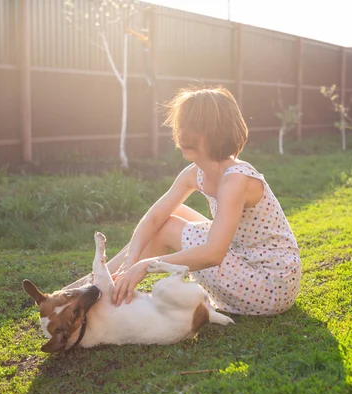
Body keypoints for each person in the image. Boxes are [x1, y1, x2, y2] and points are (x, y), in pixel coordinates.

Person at [109, 86, 301, 316]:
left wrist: (147, 266)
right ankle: (96, 284)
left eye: (196, 127)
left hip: (270, 285)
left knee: (168, 227)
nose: (184, 135)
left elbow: (213, 254)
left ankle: (101, 296)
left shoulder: (237, 178)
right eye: (182, 126)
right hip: (243, 260)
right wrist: (132, 260)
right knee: (172, 214)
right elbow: (155, 216)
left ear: (218, 132)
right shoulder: (195, 173)